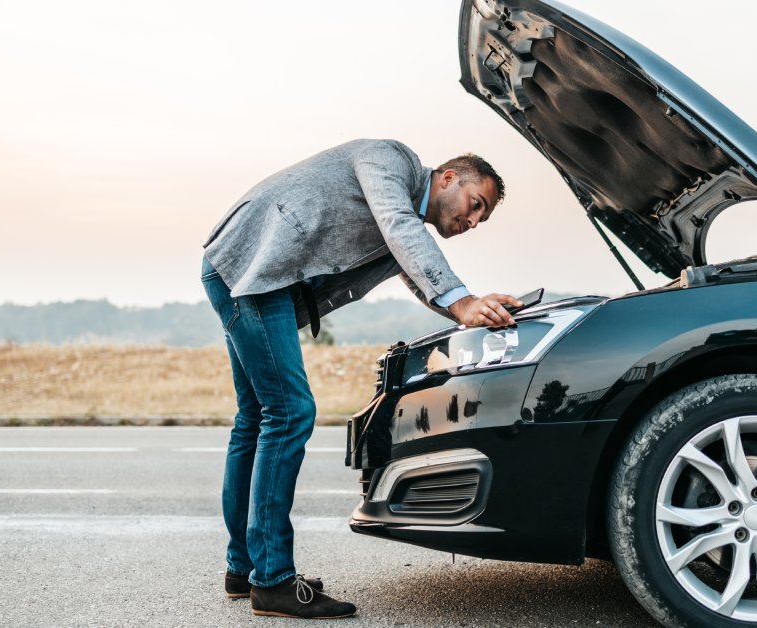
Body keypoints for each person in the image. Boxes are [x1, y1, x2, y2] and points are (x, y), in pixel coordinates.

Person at [200, 139, 522, 619]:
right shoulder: (390, 160)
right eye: (476, 205)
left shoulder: (407, 221)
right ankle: (271, 581)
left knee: (255, 419)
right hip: (253, 269)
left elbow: (414, 268)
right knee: (289, 413)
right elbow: (399, 227)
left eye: (482, 219)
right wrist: (462, 300)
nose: (473, 222)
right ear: (450, 178)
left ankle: (244, 569)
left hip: (248, 273)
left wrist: (471, 311)